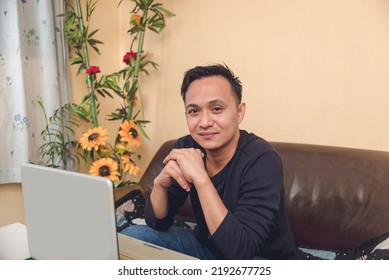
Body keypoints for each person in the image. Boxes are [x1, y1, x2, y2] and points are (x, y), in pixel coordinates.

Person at [121, 64, 297, 259]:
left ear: (239, 112)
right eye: (194, 111)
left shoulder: (262, 159)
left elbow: (241, 251)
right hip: (208, 247)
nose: (204, 122)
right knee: (134, 237)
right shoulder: (186, 147)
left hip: (260, 259)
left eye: (216, 109)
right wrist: (160, 185)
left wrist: (200, 178)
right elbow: (158, 223)